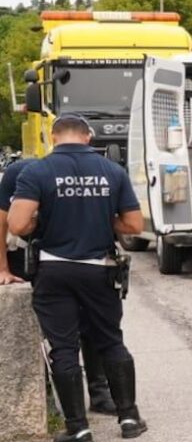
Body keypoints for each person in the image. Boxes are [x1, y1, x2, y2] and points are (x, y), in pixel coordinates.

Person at [7, 115, 148, 442]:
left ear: (54, 138)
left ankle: (78, 429)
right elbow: (134, 225)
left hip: (54, 272)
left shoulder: (36, 172)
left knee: (64, 347)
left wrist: (45, 221)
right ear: (88, 137)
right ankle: (128, 417)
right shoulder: (112, 171)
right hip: (99, 270)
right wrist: (101, 217)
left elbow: (17, 224)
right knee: (111, 340)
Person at [0, 153, 117, 415]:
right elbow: (2, 222)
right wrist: (3, 267)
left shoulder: (89, 176)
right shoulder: (19, 174)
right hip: (24, 253)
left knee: (90, 321)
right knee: (46, 327)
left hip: (69, 253)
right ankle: (47, 396)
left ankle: (99, 392)